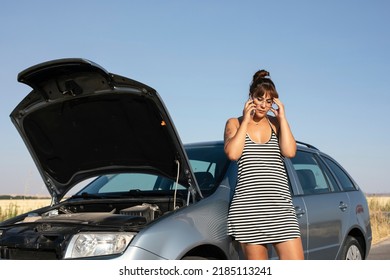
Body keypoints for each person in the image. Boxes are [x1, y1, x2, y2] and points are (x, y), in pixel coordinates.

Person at [224, 69, 304, 260]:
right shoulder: (234, 123)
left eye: (268, 101)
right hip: (249, 211)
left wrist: (282, 118)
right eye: (259, 99)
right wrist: (246, 121)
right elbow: (233, 154)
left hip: (281, 209)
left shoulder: (276, 123)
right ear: (250, 97)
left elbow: (290, 152)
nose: (263, 105)